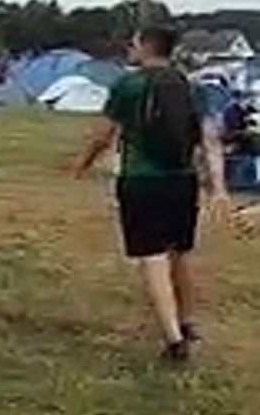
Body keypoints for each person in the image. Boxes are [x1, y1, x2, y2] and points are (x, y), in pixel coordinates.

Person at [73, 25, 231, 362]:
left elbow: (104, 135)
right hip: (182, 180)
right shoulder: (191, 86)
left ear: (146, 47)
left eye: (133, 43)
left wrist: (82, 165)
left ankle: (174, 340)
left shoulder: (129, 85)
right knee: (180, 252)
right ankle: (187, 321)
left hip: (142, 181)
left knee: (152, 257)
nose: (130, 49)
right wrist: (218, 187)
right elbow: (210, 139)